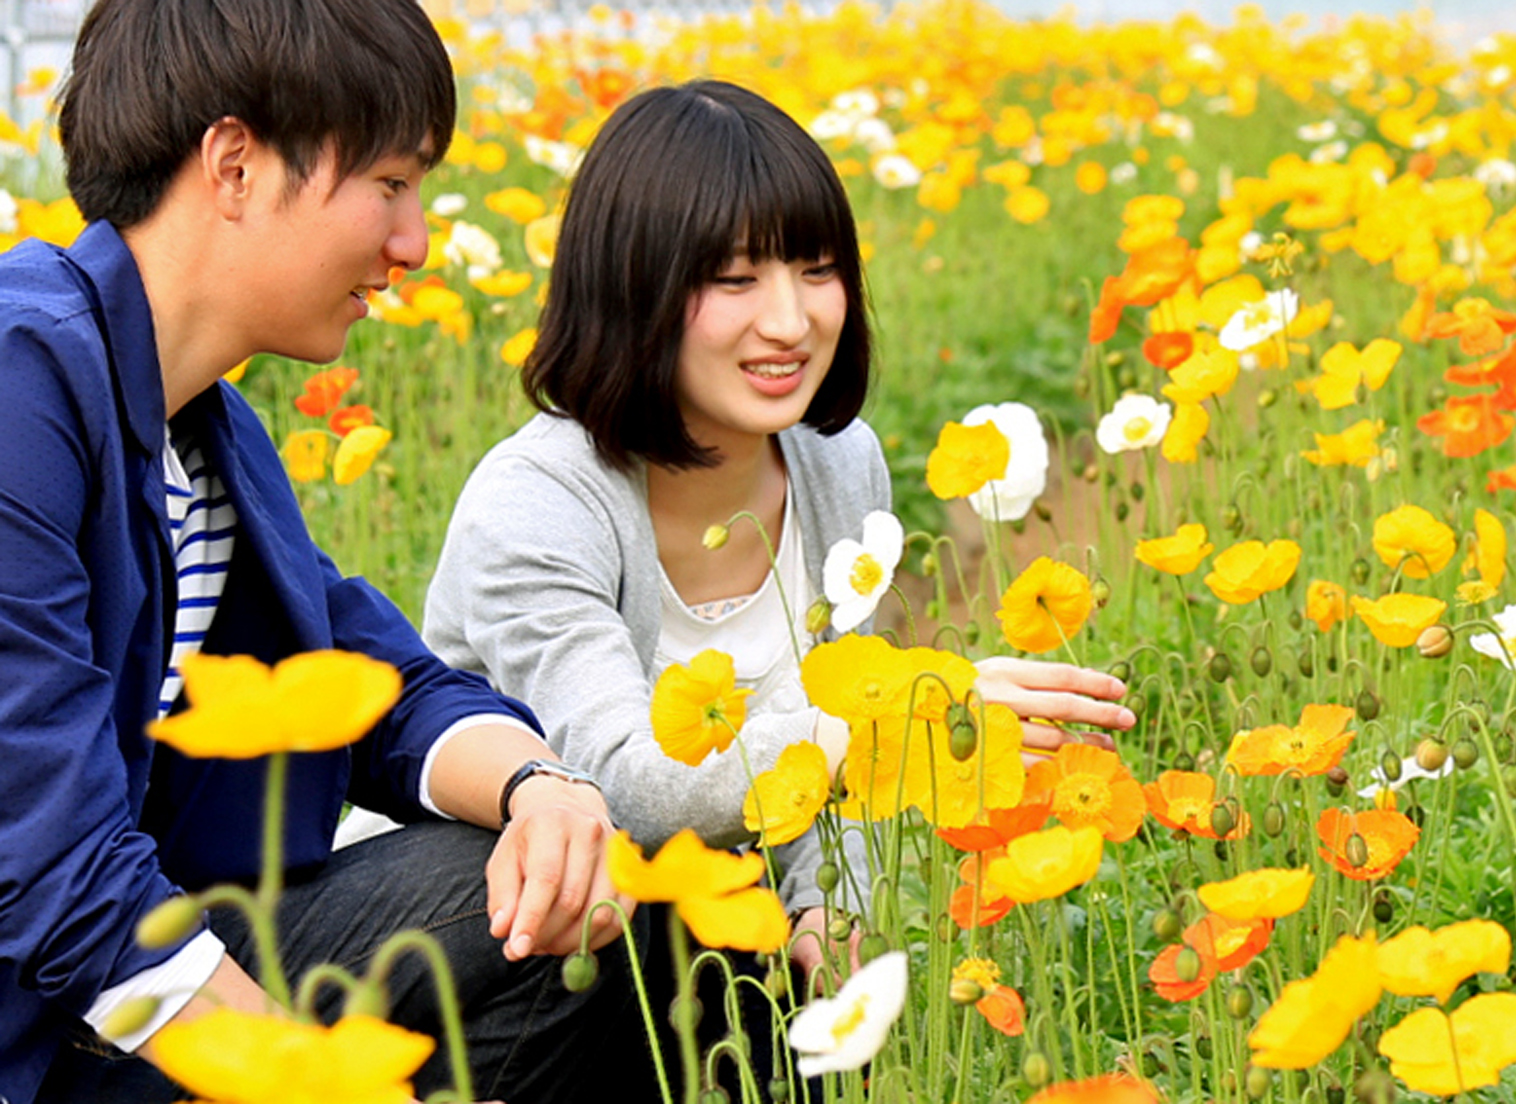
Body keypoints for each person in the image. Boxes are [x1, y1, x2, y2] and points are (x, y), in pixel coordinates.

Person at [421, 79, 1136, 1084]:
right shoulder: (537, 502)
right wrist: (905, 715)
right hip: (512, 947)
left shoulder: (839, 466)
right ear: (632, 286)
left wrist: (827, 908)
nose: (792, 321)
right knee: (642, 898)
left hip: (711, 925)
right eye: (735, 278)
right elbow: (623, 785)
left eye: (817, 269)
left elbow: (825, 753)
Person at [0, 3, 636, 1102]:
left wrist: (546, 790)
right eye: (390, 185)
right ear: (237, 167)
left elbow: (376, 685)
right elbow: (46, 871)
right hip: (40, 1019)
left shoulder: (202, 430)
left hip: (125, 983)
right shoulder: (24, 385)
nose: (416, 243)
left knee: (558, 895)